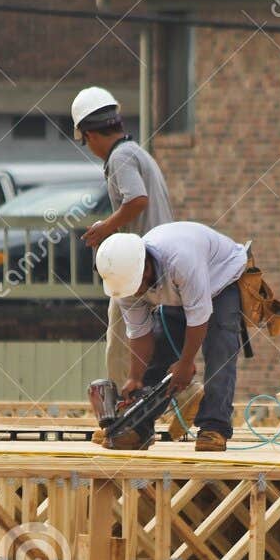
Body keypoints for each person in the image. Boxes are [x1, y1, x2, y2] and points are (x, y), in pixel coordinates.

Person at [95, 222, 247, 452]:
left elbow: (198, 319)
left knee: (220, 349)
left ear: (145, 269)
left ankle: (214, 427)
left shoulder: (181, 261)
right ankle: (139, 428)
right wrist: (135, 377)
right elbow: (139, 332)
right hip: (178, 291)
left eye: (135, 286)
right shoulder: (124, 284)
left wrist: (185, 364)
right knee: (161, 350)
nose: (135, 293)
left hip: (221, 278)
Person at [70, 86, 174, 389]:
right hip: (158, 259)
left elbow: (137, 200)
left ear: (89, 135)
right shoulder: (137, 152)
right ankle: (182, 396)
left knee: (119, 342)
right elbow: (139, 204)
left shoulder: (119, 158)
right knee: (157, 342)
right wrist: (112, 224)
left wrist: (105, 229)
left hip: (138, 264)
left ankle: (120, 416)